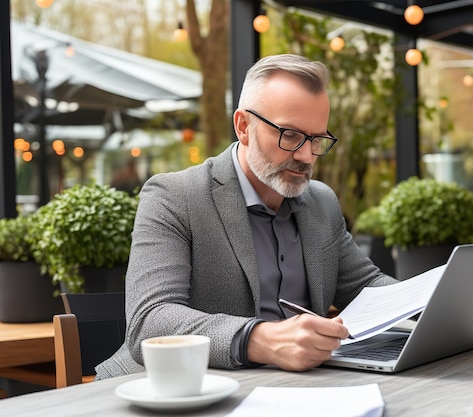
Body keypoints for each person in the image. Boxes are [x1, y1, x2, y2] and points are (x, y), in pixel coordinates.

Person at [95, 54, 397, 378]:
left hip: (290, 392)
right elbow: (150, 322)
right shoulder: (174, 197)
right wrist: (260, 339)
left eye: (316, 139)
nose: (306, 155)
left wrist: (440, 303)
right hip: (168, 391)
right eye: (290, 135)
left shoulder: (321, 202)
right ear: (243, 127)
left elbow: (369, 288)